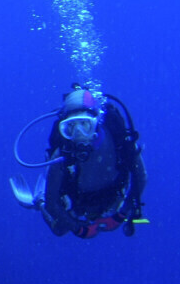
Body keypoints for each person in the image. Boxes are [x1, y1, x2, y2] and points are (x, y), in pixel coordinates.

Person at [10, 85, 147, 239]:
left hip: (112, 196)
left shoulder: (120, 140)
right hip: (77, 201)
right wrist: (78, 228)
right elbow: (52, 202)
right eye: (71, 128)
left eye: (85, 125)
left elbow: (141, 178)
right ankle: (38, 199)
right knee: (59, 229)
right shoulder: (62, 154)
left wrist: (122, 214)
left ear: (97, 122)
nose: (79, 135)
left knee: (108, 210)